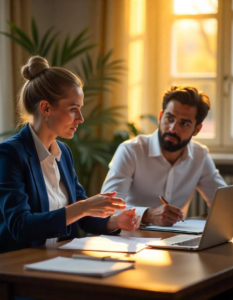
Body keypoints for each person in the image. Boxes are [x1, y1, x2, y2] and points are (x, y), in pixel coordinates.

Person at [0, 56, 141, 254]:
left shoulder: (63, 153)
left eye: (80, 109)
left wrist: (116, 221)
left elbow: (81, 215)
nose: (81, 118)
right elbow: (20, 226)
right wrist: (84, 207)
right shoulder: (10, 154)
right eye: (73, 109)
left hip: (57, 259)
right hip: (18, 265)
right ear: (46, 108)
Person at [101, 86, 227, 226]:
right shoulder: (130, 151)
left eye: (184, 123)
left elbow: (224, 204)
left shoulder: (200, 155)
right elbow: (107, 208)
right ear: (160, 117)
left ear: (197, 129)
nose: (173, 128)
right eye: (169, 118)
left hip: (173, 240)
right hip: (128, 239)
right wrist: (147, 215)